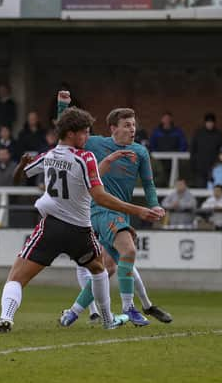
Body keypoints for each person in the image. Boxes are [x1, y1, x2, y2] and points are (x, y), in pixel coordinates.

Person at [0, 100, 163, 334]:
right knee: (100, 270)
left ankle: (6, 317)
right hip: (80, 231)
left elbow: (18, 179)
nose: (87, 136)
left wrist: (21, 166)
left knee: (16, 277)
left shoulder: (49, 155)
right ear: (72, 134)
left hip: (50, 228)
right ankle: (106, 319)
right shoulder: (86, 158)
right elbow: (100, 196)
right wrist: (139, 210)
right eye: (84, 132)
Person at [61, 101, 172, 328]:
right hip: (100, 210)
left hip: (120, 213)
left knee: (108, 268)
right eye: (127, 125)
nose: (132, 129)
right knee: (129, 249)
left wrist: (155, 205)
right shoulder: (95, 143)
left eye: (134, 125)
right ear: (113, 128)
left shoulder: (140, 152)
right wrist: (62, 106)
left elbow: (149, 185)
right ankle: (129, 307)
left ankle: (72, 313)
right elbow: (65, 132)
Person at [190, 112, 222, 188]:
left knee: (214, 189)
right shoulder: (198, 134)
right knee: (200, 189)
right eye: (208, 122)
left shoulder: (219, 135)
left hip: (215, 169)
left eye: (211, 122)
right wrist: (193, 165)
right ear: (205, 123)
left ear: (214, 123)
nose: (210, 124)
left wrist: (219, 165)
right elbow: (193, 150)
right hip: (200, 169)